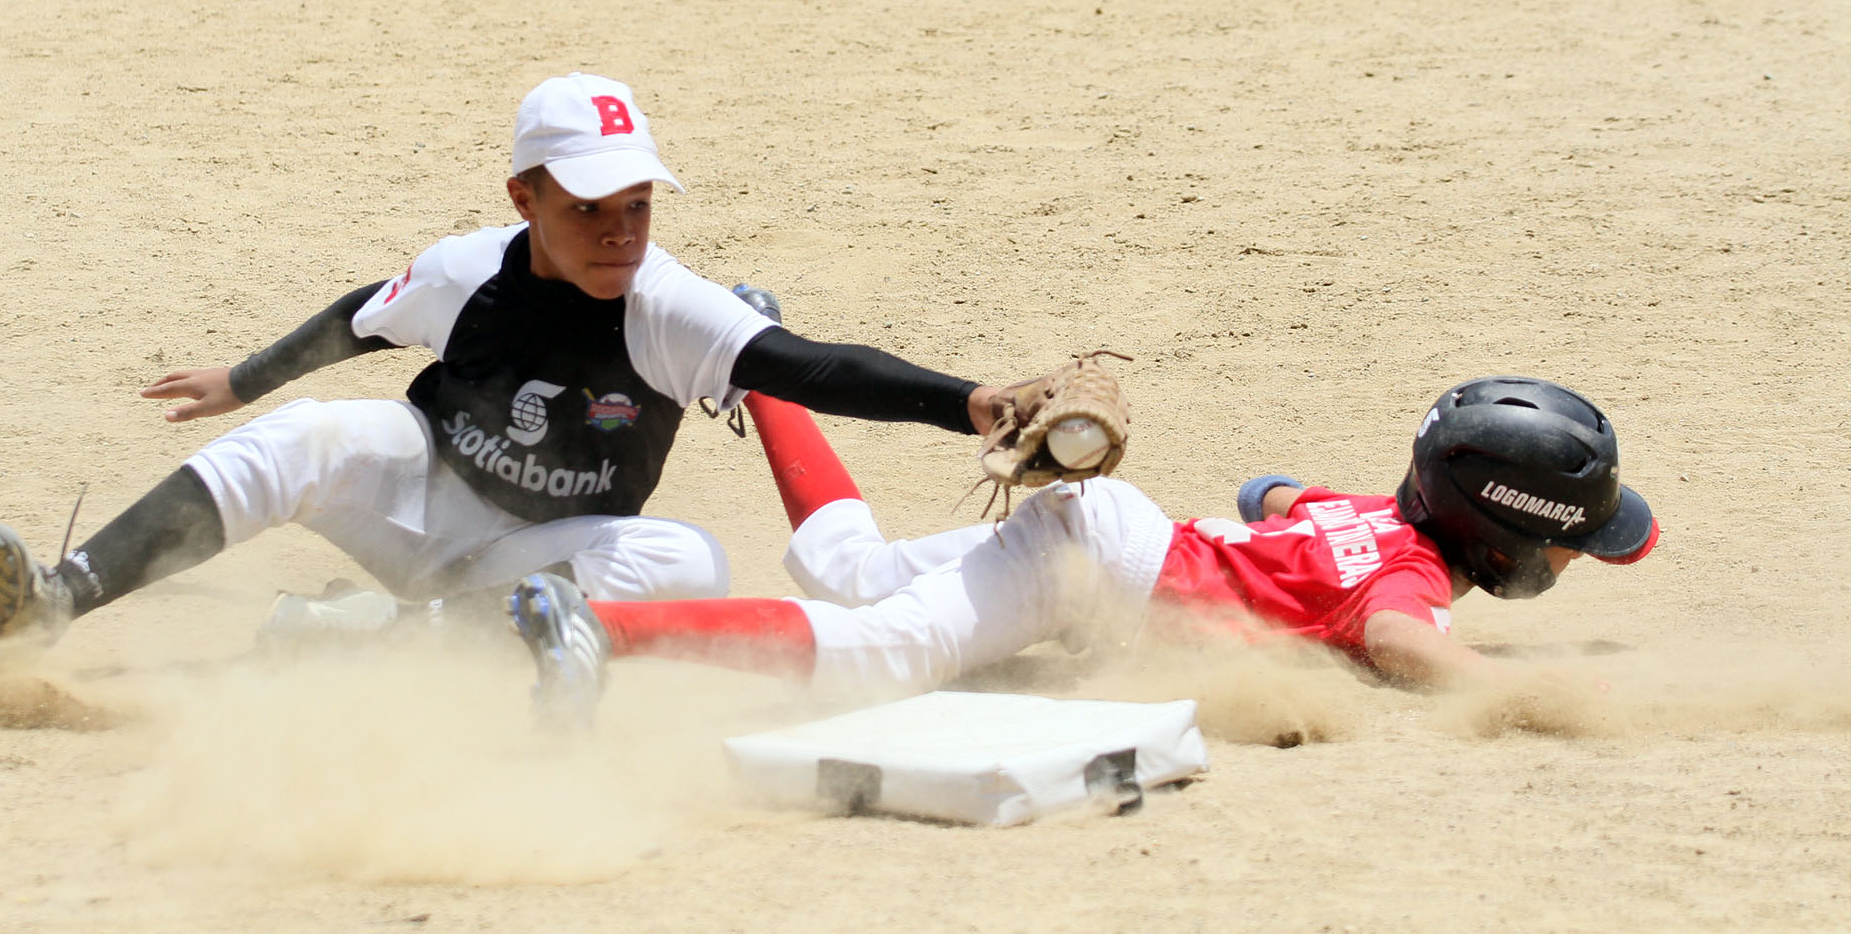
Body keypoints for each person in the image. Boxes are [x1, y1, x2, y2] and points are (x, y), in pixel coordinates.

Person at [0, 73, 1014, 642]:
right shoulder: (467, 274)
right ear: (525, 198)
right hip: (418, 499)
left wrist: (969, 401)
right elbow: (360, 316)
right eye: (589, 207)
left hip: (533, 559)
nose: (619, 231)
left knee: (691, 561)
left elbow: (815, 367)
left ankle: (385, 637)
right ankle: (59, 600)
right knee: (305, 435)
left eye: (637, 205)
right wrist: (243, 379)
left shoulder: (667, 306)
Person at [508, 374, 1660, 724]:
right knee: (869, 657)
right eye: (1565, 547)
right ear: (1499, 537)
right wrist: (1535, 688)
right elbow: (1409, 643)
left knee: (844, 576)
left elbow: (1272, 491)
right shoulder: (1407, 574)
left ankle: (758, 382)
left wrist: (1273, 512)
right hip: (1093, 566)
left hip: (1111, 538)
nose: (1568, 563)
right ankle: (597, 629)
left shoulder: (1368, 511)